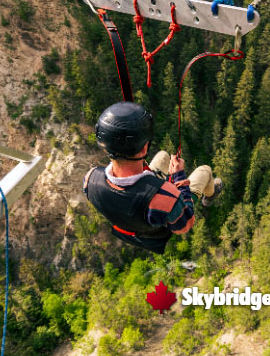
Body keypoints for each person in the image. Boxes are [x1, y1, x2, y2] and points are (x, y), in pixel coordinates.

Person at [83, 102, 223, 254]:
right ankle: (209, 196)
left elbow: (126, 192)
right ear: (144, 148)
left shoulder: (90, 179)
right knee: (205, 171)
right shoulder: (166, 197)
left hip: (130, 223)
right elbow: (185, 225)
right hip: (156, 225)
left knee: (163, 156)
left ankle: (148, 173)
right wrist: (178, 177)